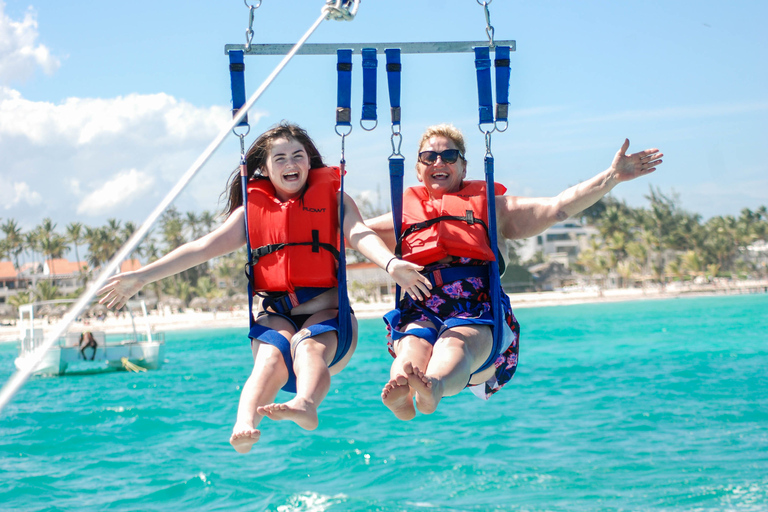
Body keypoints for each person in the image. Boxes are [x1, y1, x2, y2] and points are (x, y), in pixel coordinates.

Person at [97, 122, 431, 453]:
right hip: (277, 315)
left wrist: (391, 264)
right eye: (280, 158)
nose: (291, 164)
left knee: (307, 347)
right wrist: (141, 277)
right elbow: (201, 248)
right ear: (265, 168)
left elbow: (359, 233)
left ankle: (305, 403)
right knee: (270, 357)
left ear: (309, 161)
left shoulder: (336, 201)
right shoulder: (250, 213)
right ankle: (245, 422)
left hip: (331, 320)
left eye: (298, 155)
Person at [366, 124, 663, 420]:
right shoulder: (402, 218)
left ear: (463, 166)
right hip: (421, 306)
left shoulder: (494, 210)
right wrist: (390, 264)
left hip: (477, 309)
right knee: (412, 346)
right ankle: (402, 394)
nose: (439, 162)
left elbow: (559, 207)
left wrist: (611, 177)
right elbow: (352, 234)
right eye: (429, 157)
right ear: (419, 170)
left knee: (455, 343)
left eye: (449, 156)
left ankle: (434, 388)